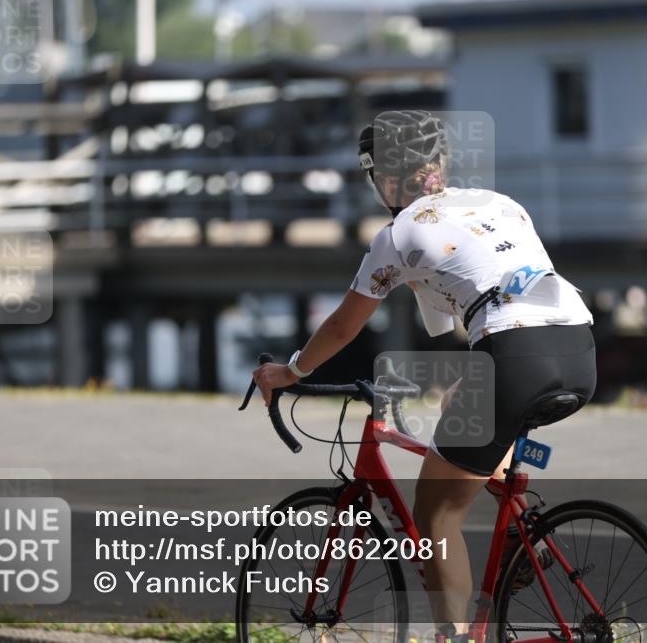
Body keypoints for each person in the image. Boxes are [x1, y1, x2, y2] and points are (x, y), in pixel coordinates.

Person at [253, 110, 596, 639]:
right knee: (471, 407)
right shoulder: (500, 204)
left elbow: (344, 326)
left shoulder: (398, 234)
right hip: (578, 346)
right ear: (438, 164)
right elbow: (457, 312)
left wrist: (291, 371)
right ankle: (524, 533)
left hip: (513, 354)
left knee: (435, 515)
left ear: (384, 178)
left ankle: (453, 636)